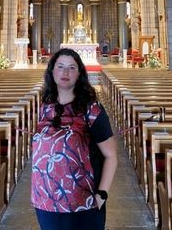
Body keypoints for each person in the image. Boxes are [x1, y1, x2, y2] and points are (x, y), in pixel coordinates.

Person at [31, 48, 117, 230]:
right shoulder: (43, 107)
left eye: (71, 68)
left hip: (82, 204)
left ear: (79, 74)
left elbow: (111, 155)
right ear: (52, 71)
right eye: (60, 66)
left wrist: (102, 194)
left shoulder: (92, 109)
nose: (65, 72)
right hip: (45, 202)